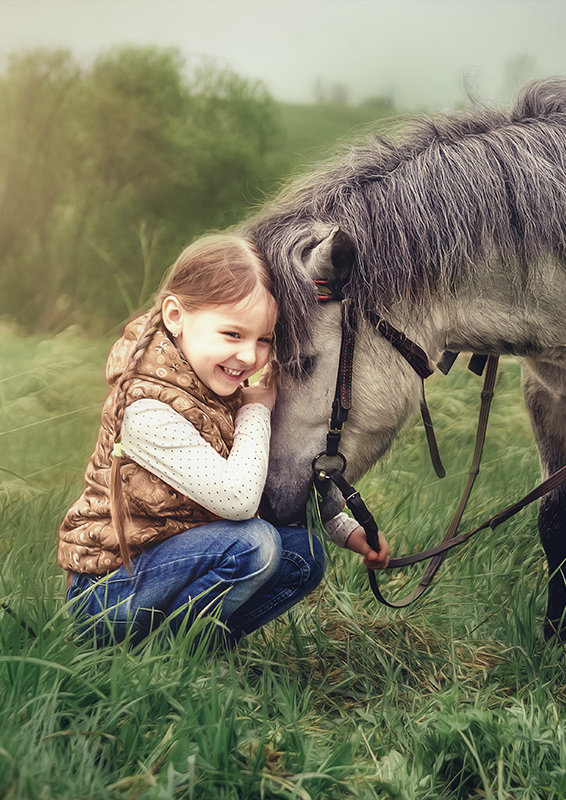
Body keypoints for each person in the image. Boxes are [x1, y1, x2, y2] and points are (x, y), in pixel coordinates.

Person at [58, 234, 389, 646]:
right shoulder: (145, 409)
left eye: (264, 339)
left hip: (173, 560)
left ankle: (199, 646)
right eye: (233, 334)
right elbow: (238, 499)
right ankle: (165, 656)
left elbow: (265, 479)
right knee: (254, 544)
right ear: (176, 316)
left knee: (303, 556)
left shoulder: (216, 383)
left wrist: (344, 528)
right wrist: (256, 410)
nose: (250, 357)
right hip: (109, 594)